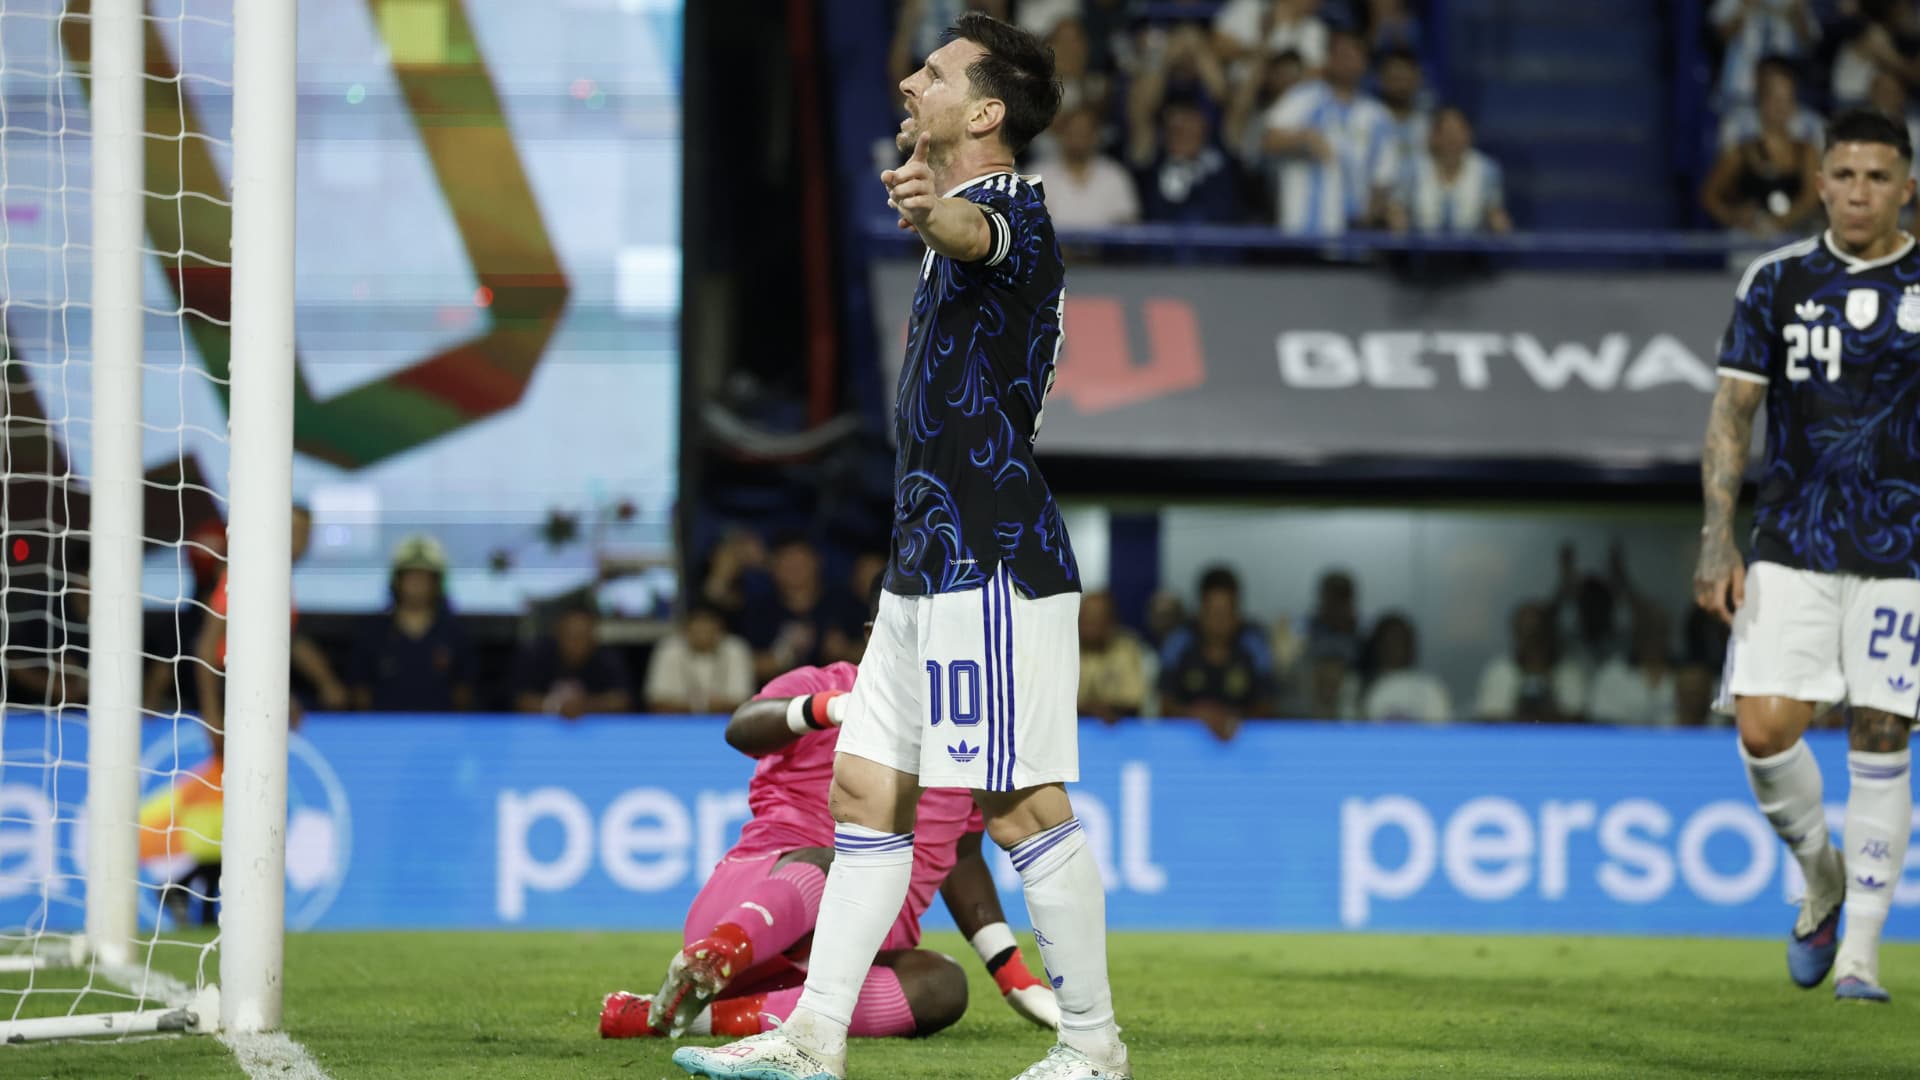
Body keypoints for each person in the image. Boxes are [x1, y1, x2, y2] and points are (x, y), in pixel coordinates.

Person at [675, 14, 1130, 1080]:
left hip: (992, 557)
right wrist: (932, 211)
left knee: (1018, 805)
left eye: (934, 74)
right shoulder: (962, 218)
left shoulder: (1012, 213)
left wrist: (937, 215)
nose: (909, 82)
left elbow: (980, 239)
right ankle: (812, 1037)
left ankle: (1095, 1045)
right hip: (925, 564)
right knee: (865, 793)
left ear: (984, 113)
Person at [601, 595, 1057, 1042]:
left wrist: (1011, 973)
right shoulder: (825, 682)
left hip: (845, 958)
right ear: (872, 634)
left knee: (944, 986)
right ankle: (716, 956)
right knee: (842, 866)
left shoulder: (971, 732)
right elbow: (743, 728)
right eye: (911, 627)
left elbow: (960, 856)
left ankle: (682, 1019)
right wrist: (832, 708)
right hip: (756, 907)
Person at [1695, 107, 1920, 1005]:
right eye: (1845, 175)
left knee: (1882, 730)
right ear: (1819, 182)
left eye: (1878, 176)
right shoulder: (1778, 280)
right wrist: (1718, 537)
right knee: (1763, 728)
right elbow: (1731, 415)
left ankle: (1861, 953)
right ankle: (1820, 876)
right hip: (1795, 537)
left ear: (1907, 186)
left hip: (1907, 549)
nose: (1860, 191)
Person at [1262, 27, 1397, 235]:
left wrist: (1369, 218)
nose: (1346, 62)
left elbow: (1383, 179)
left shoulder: (1378, 117)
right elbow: (1268, 141)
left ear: (1364, 63)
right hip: (1302, 230)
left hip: (1352, 236)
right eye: (1340, 55)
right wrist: (1304, 138)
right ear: (1329, 59)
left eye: (1353, 55)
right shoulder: (1302, 98)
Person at [348, 533, 475, 712]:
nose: (417, 584)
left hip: (441, 730)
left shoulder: (455, 633)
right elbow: (360, 690)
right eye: (411, 576)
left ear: (437, 583)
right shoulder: (372, 632)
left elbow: (464, 692)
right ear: (397, 581)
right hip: (383, 729)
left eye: (424, 578)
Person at [1701, 60, 1822, 237]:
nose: (1781, 107)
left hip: (1793, 243)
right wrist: (1733, 216)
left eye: (1787, 99)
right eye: (1775, 99)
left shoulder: (1805, 150)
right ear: (1762, 101)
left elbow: (1812, 196)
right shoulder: (1742, 151)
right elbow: (1709, 195)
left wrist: (1779, 222)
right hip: (1749, 245)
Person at [1158, 566, 1278, 740]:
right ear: (1201, 611)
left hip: (1242, 747)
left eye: (1226, 613)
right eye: (1214, 612)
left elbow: (1268, 705)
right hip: (1184, 746)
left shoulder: (1254, 642)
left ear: (1237, 612)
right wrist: (1196, 716)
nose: (1219, 622)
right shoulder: (1179, 641)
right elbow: (1164, 705)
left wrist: (1234, 719)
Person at [511, 603, 633, 718]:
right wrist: (556, 707)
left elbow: (621, 700)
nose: (576, 644)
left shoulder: (607, 659)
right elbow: (520, 699)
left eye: (582, 637)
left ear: (593, 638)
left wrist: (584, 706)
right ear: (558, 634)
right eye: (570, 636)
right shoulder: (536, 655)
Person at [645, 602, 756, 714]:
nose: (703, 633)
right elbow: (657, 703)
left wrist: (689, 705)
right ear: (685, 630)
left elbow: (743, 704)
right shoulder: (669, 649)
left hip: (725, 724)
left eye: (708, 626)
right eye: (698, 627)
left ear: (720, 629)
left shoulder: (736, 649)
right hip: (677, 725)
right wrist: (708, 705)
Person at [1358, 613, 1450, 725]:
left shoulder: (1431, 688)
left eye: (1400, 640)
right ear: (1377, 646)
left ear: (1411, 646)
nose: (1395, 648)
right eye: (1389, 641)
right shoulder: (1360, 687)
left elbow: (1441, 734)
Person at [1077, 589, 1149, 723]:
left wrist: (1104, 709)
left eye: (1097, 618)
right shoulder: (1066, 649)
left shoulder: (1127, 648)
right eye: (1086, 618)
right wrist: (1091, 709)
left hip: (1120, 732)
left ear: (1111, 621)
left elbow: (1135, 699)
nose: (1090, 625)